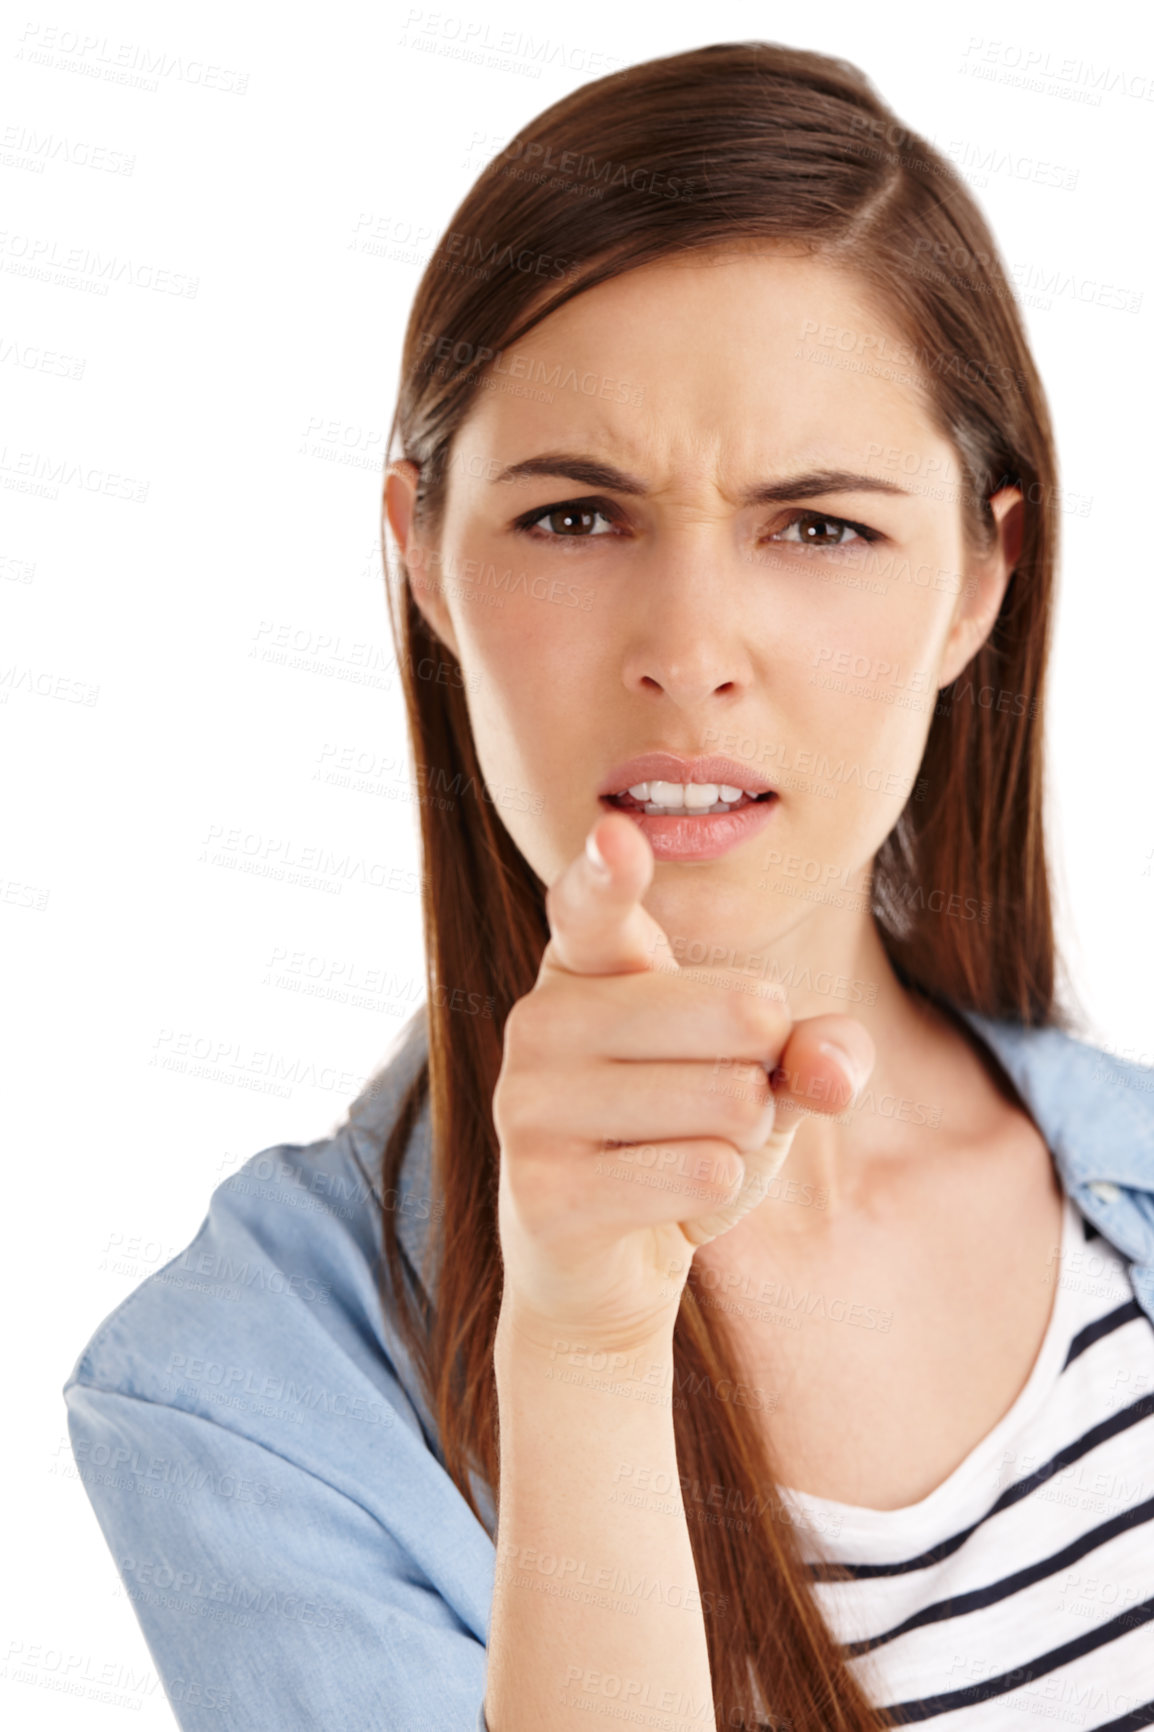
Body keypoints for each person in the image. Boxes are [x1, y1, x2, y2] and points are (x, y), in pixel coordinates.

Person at [63, 39, 1154, 1732]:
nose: (688, 654)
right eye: (576, 518)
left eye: (817, 528)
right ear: (419, 554)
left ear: (976, 582)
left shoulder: (1122, 1188)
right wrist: (578, 1356)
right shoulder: (238, 1398)